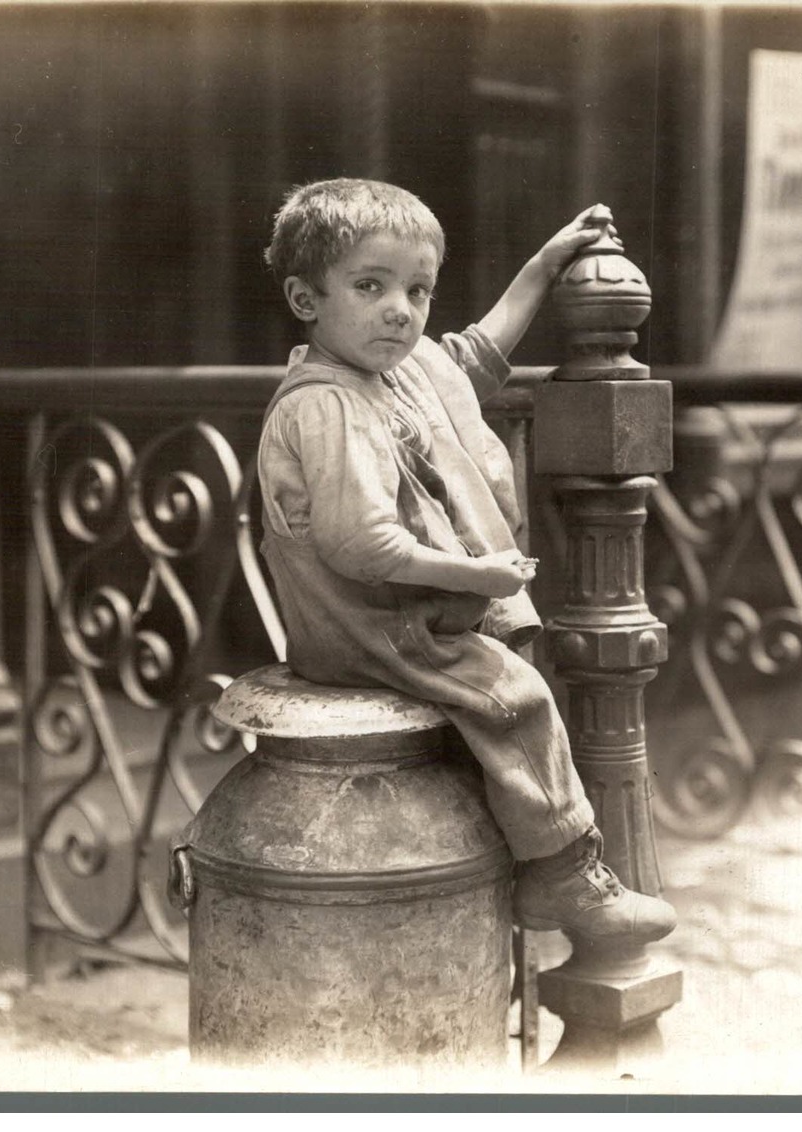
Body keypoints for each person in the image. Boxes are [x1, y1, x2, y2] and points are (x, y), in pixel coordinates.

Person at [258, 178, 676, 945]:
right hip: (365, 623)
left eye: (418, 290)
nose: (400, 310)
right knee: (515, 696)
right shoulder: (329, 405)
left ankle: (502, 860)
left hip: (399, 609)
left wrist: (547, 265)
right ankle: (564, 878)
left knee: (507, 683)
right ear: (305, 298)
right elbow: (363, 546)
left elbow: (475, 355)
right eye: (370, 286)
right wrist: (480, 578)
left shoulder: (397, 371)